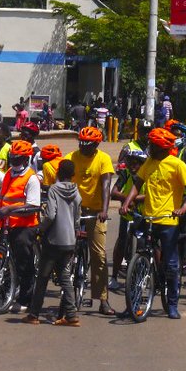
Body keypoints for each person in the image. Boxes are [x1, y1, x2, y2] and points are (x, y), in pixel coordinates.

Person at [119, 127, 186, 320]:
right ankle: (133, 302)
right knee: (139, 258)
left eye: (153, 145)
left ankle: (172, 304)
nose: (149, 148)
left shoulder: (176, 165)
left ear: (162, 147)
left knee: (170, 264)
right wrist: (126, 203)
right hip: (148, 218)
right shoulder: (149, 163)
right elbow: (137, 184)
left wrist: (183, 208)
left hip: (168, 220)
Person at [24, 158, 82, 326]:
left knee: (42, 276)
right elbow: (77, 218)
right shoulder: (77, 192)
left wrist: (40, 228)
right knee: (65, 276)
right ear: (72, 175)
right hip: (69, 240)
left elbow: (50, 215)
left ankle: (34, 314)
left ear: (58, 173)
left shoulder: (54, 190)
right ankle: (71, 315)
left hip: (53, 240)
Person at [68, 127, 116, 316]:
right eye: (81, 143)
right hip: (75, 209)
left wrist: (104, 210)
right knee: (64, 248)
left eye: (87, 145)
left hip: (96, 211)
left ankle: (103, 300)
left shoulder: (103, 159)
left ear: (96, 144)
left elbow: (105, 185)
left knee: (99, 255)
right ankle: (67, 292)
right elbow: (65, 182)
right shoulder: (71, 157)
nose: (83, 147)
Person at [0, 140, 41, 313]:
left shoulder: (32, 179)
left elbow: (33, 206)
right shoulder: (9, 173)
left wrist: (10, 209)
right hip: (7, 224)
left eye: (17, 159)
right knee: (4, 262)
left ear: (25, 159)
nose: (14, 161)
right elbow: (2, 196)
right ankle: (0, 297)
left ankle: (25, 299)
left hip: (25, 226)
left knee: (24, 264)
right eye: (12, 158)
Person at [109, 145, 147, 291]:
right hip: (127, 214)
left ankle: (152, 277)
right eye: (130, 162)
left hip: (144, 215)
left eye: (135, 163)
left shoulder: (147, 175)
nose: (132, 166)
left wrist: (135, 199)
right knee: (121, 243)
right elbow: (114, 192)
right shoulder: (125, 174)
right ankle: (113, 277)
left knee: (147, 245)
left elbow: (150, 194)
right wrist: (127, 199)